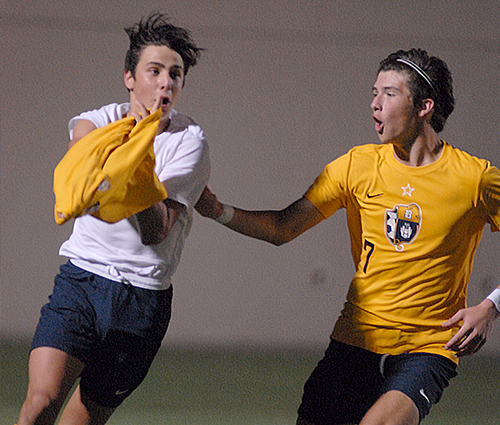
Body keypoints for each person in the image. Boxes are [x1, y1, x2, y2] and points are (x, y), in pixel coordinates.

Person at [194, 48, 500, 425]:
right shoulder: (356, 166)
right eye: (374, 93)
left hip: (428, 348)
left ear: (424, 106)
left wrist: (490, 307)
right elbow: (282, 228)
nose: (375, 104)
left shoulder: (475, 178)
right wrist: (217, 210)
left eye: (389, 94)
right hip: (356, 339)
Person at [18, 13, 209, 425]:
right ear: (129, 77)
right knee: (40, 402)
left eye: (175, 74)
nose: (165, 82)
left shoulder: (189, 143)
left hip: (142, 301)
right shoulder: (97, 122)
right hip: (82, 283)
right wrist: (122, 168)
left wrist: (130, 168)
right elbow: (82, 169)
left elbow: (156, 230)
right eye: (154, 71)